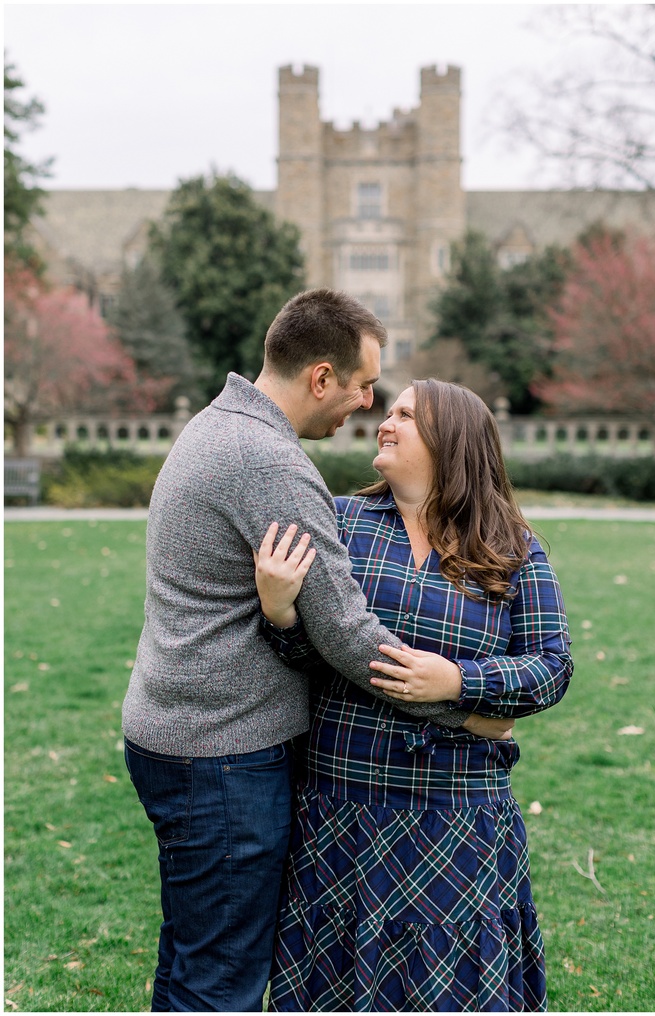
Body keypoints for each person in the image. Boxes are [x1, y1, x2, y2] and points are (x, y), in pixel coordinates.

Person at [121, 289, 508, 1013]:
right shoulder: (267, 462)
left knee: (193, 957)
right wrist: (462, 704)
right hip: (222, 755)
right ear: (322, 377)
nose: (367, 404)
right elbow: (346, 633)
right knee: (221, 983)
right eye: (364, 386)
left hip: (179, 733)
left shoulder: (221, 425)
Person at [254, 378, 574, 1013]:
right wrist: (279, 612)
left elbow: (553, 667)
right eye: (388, 410)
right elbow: (306, 658)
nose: (384, 421)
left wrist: (459, 682)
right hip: (343, 806)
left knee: (450, 983)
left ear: (450, 440)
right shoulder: (341, 523)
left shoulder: (512, 548)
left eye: (405, 415)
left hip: (458, 814)